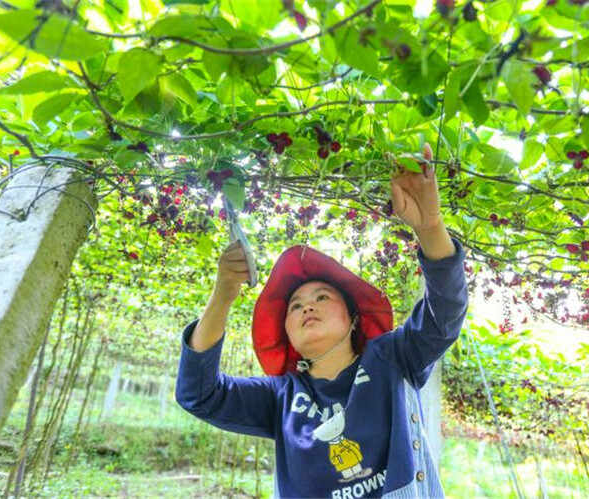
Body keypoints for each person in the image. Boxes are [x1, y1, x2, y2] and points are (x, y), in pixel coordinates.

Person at [175, 144, 469, 498]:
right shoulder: (281, 396)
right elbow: (198, 393)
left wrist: (431, 227)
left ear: (354, 319)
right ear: (287, 332)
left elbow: (445, 311)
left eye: (322, 297)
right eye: (295, 306)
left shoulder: (393, 359)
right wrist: (222, 295)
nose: (306, 308)